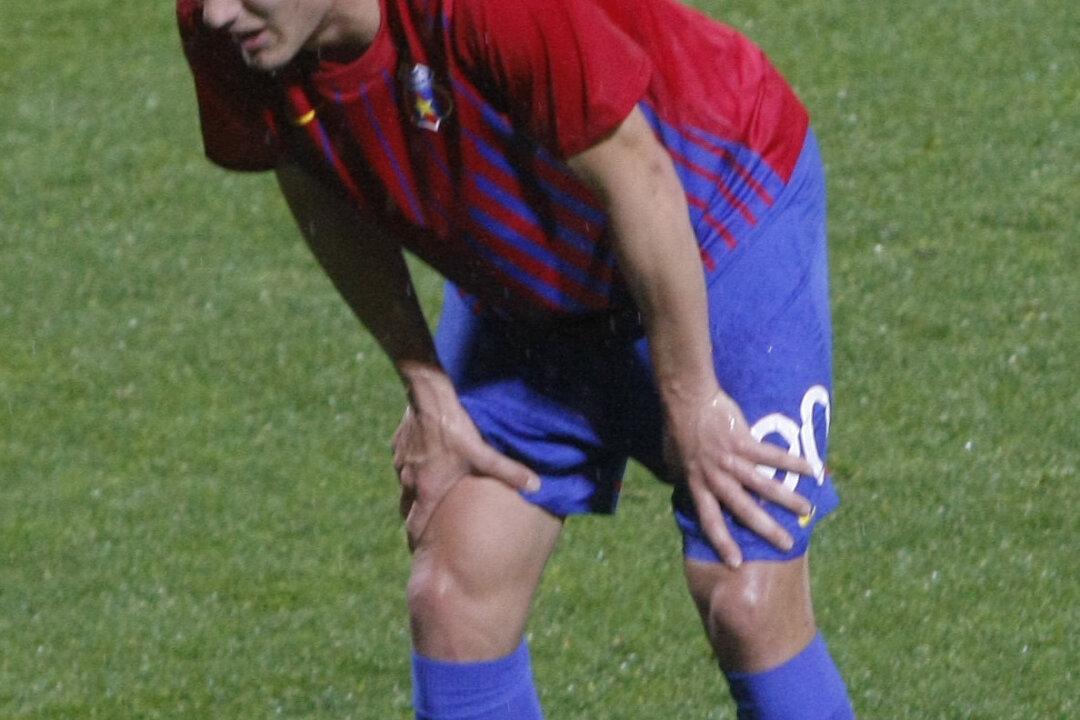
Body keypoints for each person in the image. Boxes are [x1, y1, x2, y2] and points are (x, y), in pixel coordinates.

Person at [177, 0, 856, 717]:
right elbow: (310, 170)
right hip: (524, 273)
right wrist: (426, 387)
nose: (217, 12)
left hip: (715, 217)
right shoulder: (238, 32)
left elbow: (640, 176)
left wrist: (693, 397)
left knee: (747, 601)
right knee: (451, 600)